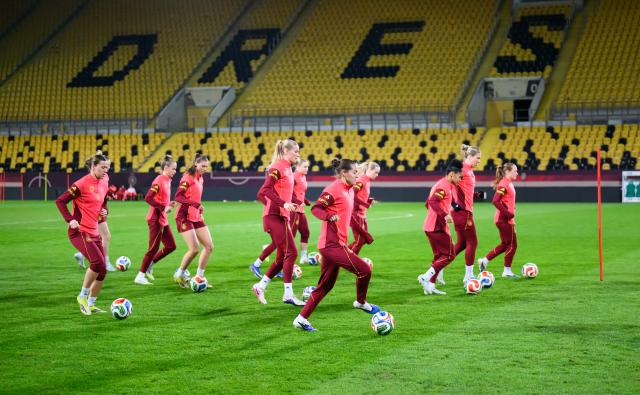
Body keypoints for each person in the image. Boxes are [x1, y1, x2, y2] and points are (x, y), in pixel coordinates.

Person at [293, 158, 379, 332]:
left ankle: (301, 319)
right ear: (344, 173)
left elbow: (351, 218)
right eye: (354, 172)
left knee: (325, 285)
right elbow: (316, 208)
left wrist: (364, 234)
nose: (357, 175)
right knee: (365, 270)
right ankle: (361, 302)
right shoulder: (333, 189)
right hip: (331, 245)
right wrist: (328, 216)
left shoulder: (350, 190)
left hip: (337, 244)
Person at [56, 151, 111, 315]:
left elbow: (103, 200)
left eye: (108, 168)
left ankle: (92, 303)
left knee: (103, 270)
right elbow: (60, 201)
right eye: (102, 168)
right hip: (79, 231)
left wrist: (103, 211)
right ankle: (82, 296)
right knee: (97, 263)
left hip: (93, 231)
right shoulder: (82, 184)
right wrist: (69, 219)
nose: (105, 171)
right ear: (93, 167)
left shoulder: (104, 180)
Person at [252, 139, 305, 306]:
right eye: (295, 151)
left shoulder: (288, 168)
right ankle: (288, 294)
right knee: (292, 252)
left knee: (283, 255)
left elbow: (285, 192)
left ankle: (261, 286)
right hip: (273, 215)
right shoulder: (277, 167)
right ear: (286, 151)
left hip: (282, 216)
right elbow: (264, 191)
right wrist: (283, 204)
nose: (298, 153)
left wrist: (295, 202)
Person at [249, 159, 311, 278]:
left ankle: (268, 270)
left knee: (284, 244)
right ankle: (259, 266)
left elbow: (291, 195)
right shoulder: (276, 183)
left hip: (284, 213)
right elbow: (261, 194)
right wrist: (271, 205)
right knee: (284, 244)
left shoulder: (283, 182)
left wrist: (300, 201)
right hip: (275, 215)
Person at [417, 159, 463, 295]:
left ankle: (430, 286)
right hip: (437, 226)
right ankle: (425, 277)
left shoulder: (443, 184)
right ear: (452, 174)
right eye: (459, 177)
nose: (460, 179)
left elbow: (427, 203)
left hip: (430, 225)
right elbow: (432, 201)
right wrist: (444, 214)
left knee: (438, 256)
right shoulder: (444, 185)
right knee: (450, 254)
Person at [134, 154, 177, 285]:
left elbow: (161, 200)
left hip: (163, 218)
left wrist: (167, 206)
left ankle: (149, 266)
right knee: (153, 248)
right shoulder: (159, 180)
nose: (175, 171)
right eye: (173, 169)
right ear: (166, 167)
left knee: (171, 246)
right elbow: (148, 197)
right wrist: (164, 208)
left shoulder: (168, 180)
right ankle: (140, 276)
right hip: (155, 219)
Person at [173, 154, 214, 288]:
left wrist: (198, 205)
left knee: (209, 247)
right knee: (194, 249)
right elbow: (178, 196)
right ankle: (179, 274)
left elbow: (194, 197)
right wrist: (193, 204)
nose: (205, 169)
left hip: (196, 216)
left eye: (206, 167)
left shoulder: (200, 178)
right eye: (203, 166)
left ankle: (199, 277)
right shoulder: (187, 177)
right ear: (196, 164)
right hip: (184, 215)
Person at [73, 160, 117, 272]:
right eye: (105, 166)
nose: (107, 168)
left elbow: (104, 190)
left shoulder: (105, 177)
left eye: (108, 166)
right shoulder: (94, 178)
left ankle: (82, 254)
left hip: (102, 207)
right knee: (105, 235)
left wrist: (111, 194)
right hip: (97, 209)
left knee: (97, 236)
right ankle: (105, 263)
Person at [447, 144, 482, 284]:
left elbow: (465, 191)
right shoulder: (462, 170)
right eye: (477, 158)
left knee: (461, 244)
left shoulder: (469, 170)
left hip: (464, 212)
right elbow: (449, 185)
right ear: (470, 156)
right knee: (473, 242)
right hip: (463, 213)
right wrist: (454, 205)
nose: (479, 161)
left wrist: (476, 195)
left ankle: (438, 269)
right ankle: (468, 276)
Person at [478, 163, 519, 278]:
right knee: (512, 244)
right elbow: (495, 201)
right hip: (504, 219)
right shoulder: (504, 183)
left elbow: (506, 201)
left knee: (507, 244)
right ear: (508, 171)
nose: (517, 173)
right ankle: (506, 271)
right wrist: (508, 213)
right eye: (515, 170)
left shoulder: (508, 183)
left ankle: (484, 261)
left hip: (506, 219)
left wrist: (511, 211)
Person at [348, 162, 380, 255]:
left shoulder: (367, 181)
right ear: (369, 170)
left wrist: (368, 200)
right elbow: (352, 194)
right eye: (375, 172)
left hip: (362, 215)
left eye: (378, 173)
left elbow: (361, 196)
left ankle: (341, 254)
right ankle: (351, 262)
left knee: (364, 240)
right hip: (356, 214)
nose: (377, 175)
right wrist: (365, 204)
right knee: (360, 240)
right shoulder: (362, 180)